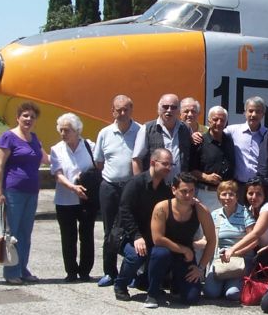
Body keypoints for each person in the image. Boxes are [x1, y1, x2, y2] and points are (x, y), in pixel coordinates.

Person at [110, 149, 174, 301]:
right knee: (136, 254)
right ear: (153, 162)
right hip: (127, 235)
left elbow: (172, 206)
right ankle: (120, 285)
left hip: (150, 236)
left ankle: (147, 284)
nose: (169, 168)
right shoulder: (136, 183)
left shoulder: (164, 189)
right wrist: (136, 236)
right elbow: (124, 211)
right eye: (165, 164)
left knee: (163, 254)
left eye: (171, 164)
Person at [146, 172, 216, 308]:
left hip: (185, 257)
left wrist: (200, 268)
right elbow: (158, 239)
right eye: (184, 191)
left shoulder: (201, 210)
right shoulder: (162, 208)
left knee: (192, 298)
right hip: (165, 250)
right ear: (174, 190)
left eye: (192, 191)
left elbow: (212, 240)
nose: (189, 195)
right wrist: (184, 249)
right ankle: (152, 293)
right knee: (160, 254)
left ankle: (176, 284)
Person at [0, 101, 44, 284]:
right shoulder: (8, 137)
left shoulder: (34, 138)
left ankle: (23, 268)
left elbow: (46, 159)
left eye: (32, 116)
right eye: (25, 116)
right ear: (18, 117)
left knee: (25, 233)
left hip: (32, 191)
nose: (29, 119)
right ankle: (11, 272)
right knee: (13, 234)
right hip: (13, 191)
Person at [92, 95, 140, 287]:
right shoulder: (105, 133)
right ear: (112, 111)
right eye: (118, 110)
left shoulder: (140, 131)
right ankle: (110, 272)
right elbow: (99, 162)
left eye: (126, 109)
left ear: (131, 110)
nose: (122, 113)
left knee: (132, 229)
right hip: (110, 187)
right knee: (109, 231)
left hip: (131, 188)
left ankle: (131, 273)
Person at [49, 113, 96, 282]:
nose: (63, 133)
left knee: (87, 235)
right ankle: (71, 271)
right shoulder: (56, 149)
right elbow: (58, 175)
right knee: (68, 236)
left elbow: (98, 167)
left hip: (86, 199)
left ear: (77, 130)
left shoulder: (90, 146)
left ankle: (85, 271)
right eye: (61, 130)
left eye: (67, 130)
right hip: (65, 200)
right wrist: (73, 187)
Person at [204, 180, 256, 301]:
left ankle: (231, 285)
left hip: (241, 259)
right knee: (210, 293)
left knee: (231, 294)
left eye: (231, 194)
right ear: (219, 197)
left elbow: (254, 240)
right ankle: (222, 284)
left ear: (237, 196)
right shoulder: (215, 215)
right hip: (220, 260)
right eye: (224, 194)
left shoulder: (245, 213)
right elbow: (207, 240)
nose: (227, 198)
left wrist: (235, 252)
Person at [225, 177, 268, 273]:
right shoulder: (250, 209)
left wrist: (233, 249)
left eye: (258, 194)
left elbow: (255, 234)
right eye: (250, 193)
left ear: (265, 195)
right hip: (264, 253)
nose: (253, 197)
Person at [132, 93, 194, 180]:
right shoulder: (146, 129)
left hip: (180, 187)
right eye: (165, 107)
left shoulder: (186, 129)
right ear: (158, 109)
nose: (169, 110)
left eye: (173, 107)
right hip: (155, 187)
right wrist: (140, 185)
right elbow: (137, 159)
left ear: (178, 110)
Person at [190, 105, 236, 214]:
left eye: (222, 120)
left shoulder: (230, 141)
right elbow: (190, 169)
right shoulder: (199, 142)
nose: (219, 123)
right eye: (215, 119)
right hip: (206, 194)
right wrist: (206, 177)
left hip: (226, 195)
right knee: (204, 229)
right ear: (209, 121)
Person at [225, 96, 268, 199]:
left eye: (258, 111)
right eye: (250, 111)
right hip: (238, 187)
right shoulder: (232, 130)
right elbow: (213, 132)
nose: (253, 115)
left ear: (263, 114)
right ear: (245, 112)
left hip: (259, 188)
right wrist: (196, 135)